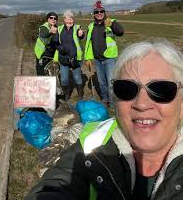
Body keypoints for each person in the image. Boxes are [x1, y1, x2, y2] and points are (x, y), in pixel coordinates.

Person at [26, 38, 183, 200]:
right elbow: (56, 184)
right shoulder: (93, 142)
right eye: (126, 89)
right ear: (115, 102)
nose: (142, 104)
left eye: (161, 90)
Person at [84, 0, 124, 107]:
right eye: (96, 12)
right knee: (102, 83)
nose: (99, 13)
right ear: (94, 14)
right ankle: (104, 99)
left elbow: (120, 32)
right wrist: (87, 58)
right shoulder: (91, 26)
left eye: (101, 11)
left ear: (104, 12)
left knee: (111, 82)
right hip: (97, 59)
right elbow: (88, 42)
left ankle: (112, 103)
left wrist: (111, 25)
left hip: (109, 59)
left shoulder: (110, 22)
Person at [54, 10, 84, 101]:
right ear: (64, 19)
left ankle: (80, 94)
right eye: (67, 19)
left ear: (73, 20)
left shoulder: (77, 28)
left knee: (77, 78)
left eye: (71, 18)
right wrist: (60, 49)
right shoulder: (59, 29)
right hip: (63, 59)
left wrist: (81, 35)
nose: (69, 21)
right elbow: (55, 41)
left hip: (75, 59)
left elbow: (81, 35)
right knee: (64, 79)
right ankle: (66, 94)